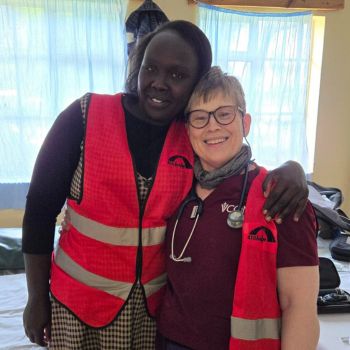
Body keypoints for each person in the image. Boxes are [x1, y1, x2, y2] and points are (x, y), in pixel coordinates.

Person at [22, 21, 310, 349]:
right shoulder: (84, 117)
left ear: (194, 84)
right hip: (77, 306)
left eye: (177, 75)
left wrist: (293, 168)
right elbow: (39, 211)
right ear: (138, 68)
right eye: (151, 69)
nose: (159, 83)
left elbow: (235, 163)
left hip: (153, 314)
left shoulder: (189, 134)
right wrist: (36, 299)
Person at [156, 67, 320, 350]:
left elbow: (299, 308)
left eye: (224, 113)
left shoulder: (280, 196)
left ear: (245, 123)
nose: (212, 127)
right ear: (187, 130)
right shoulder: (176, 188)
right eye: (199, 117)